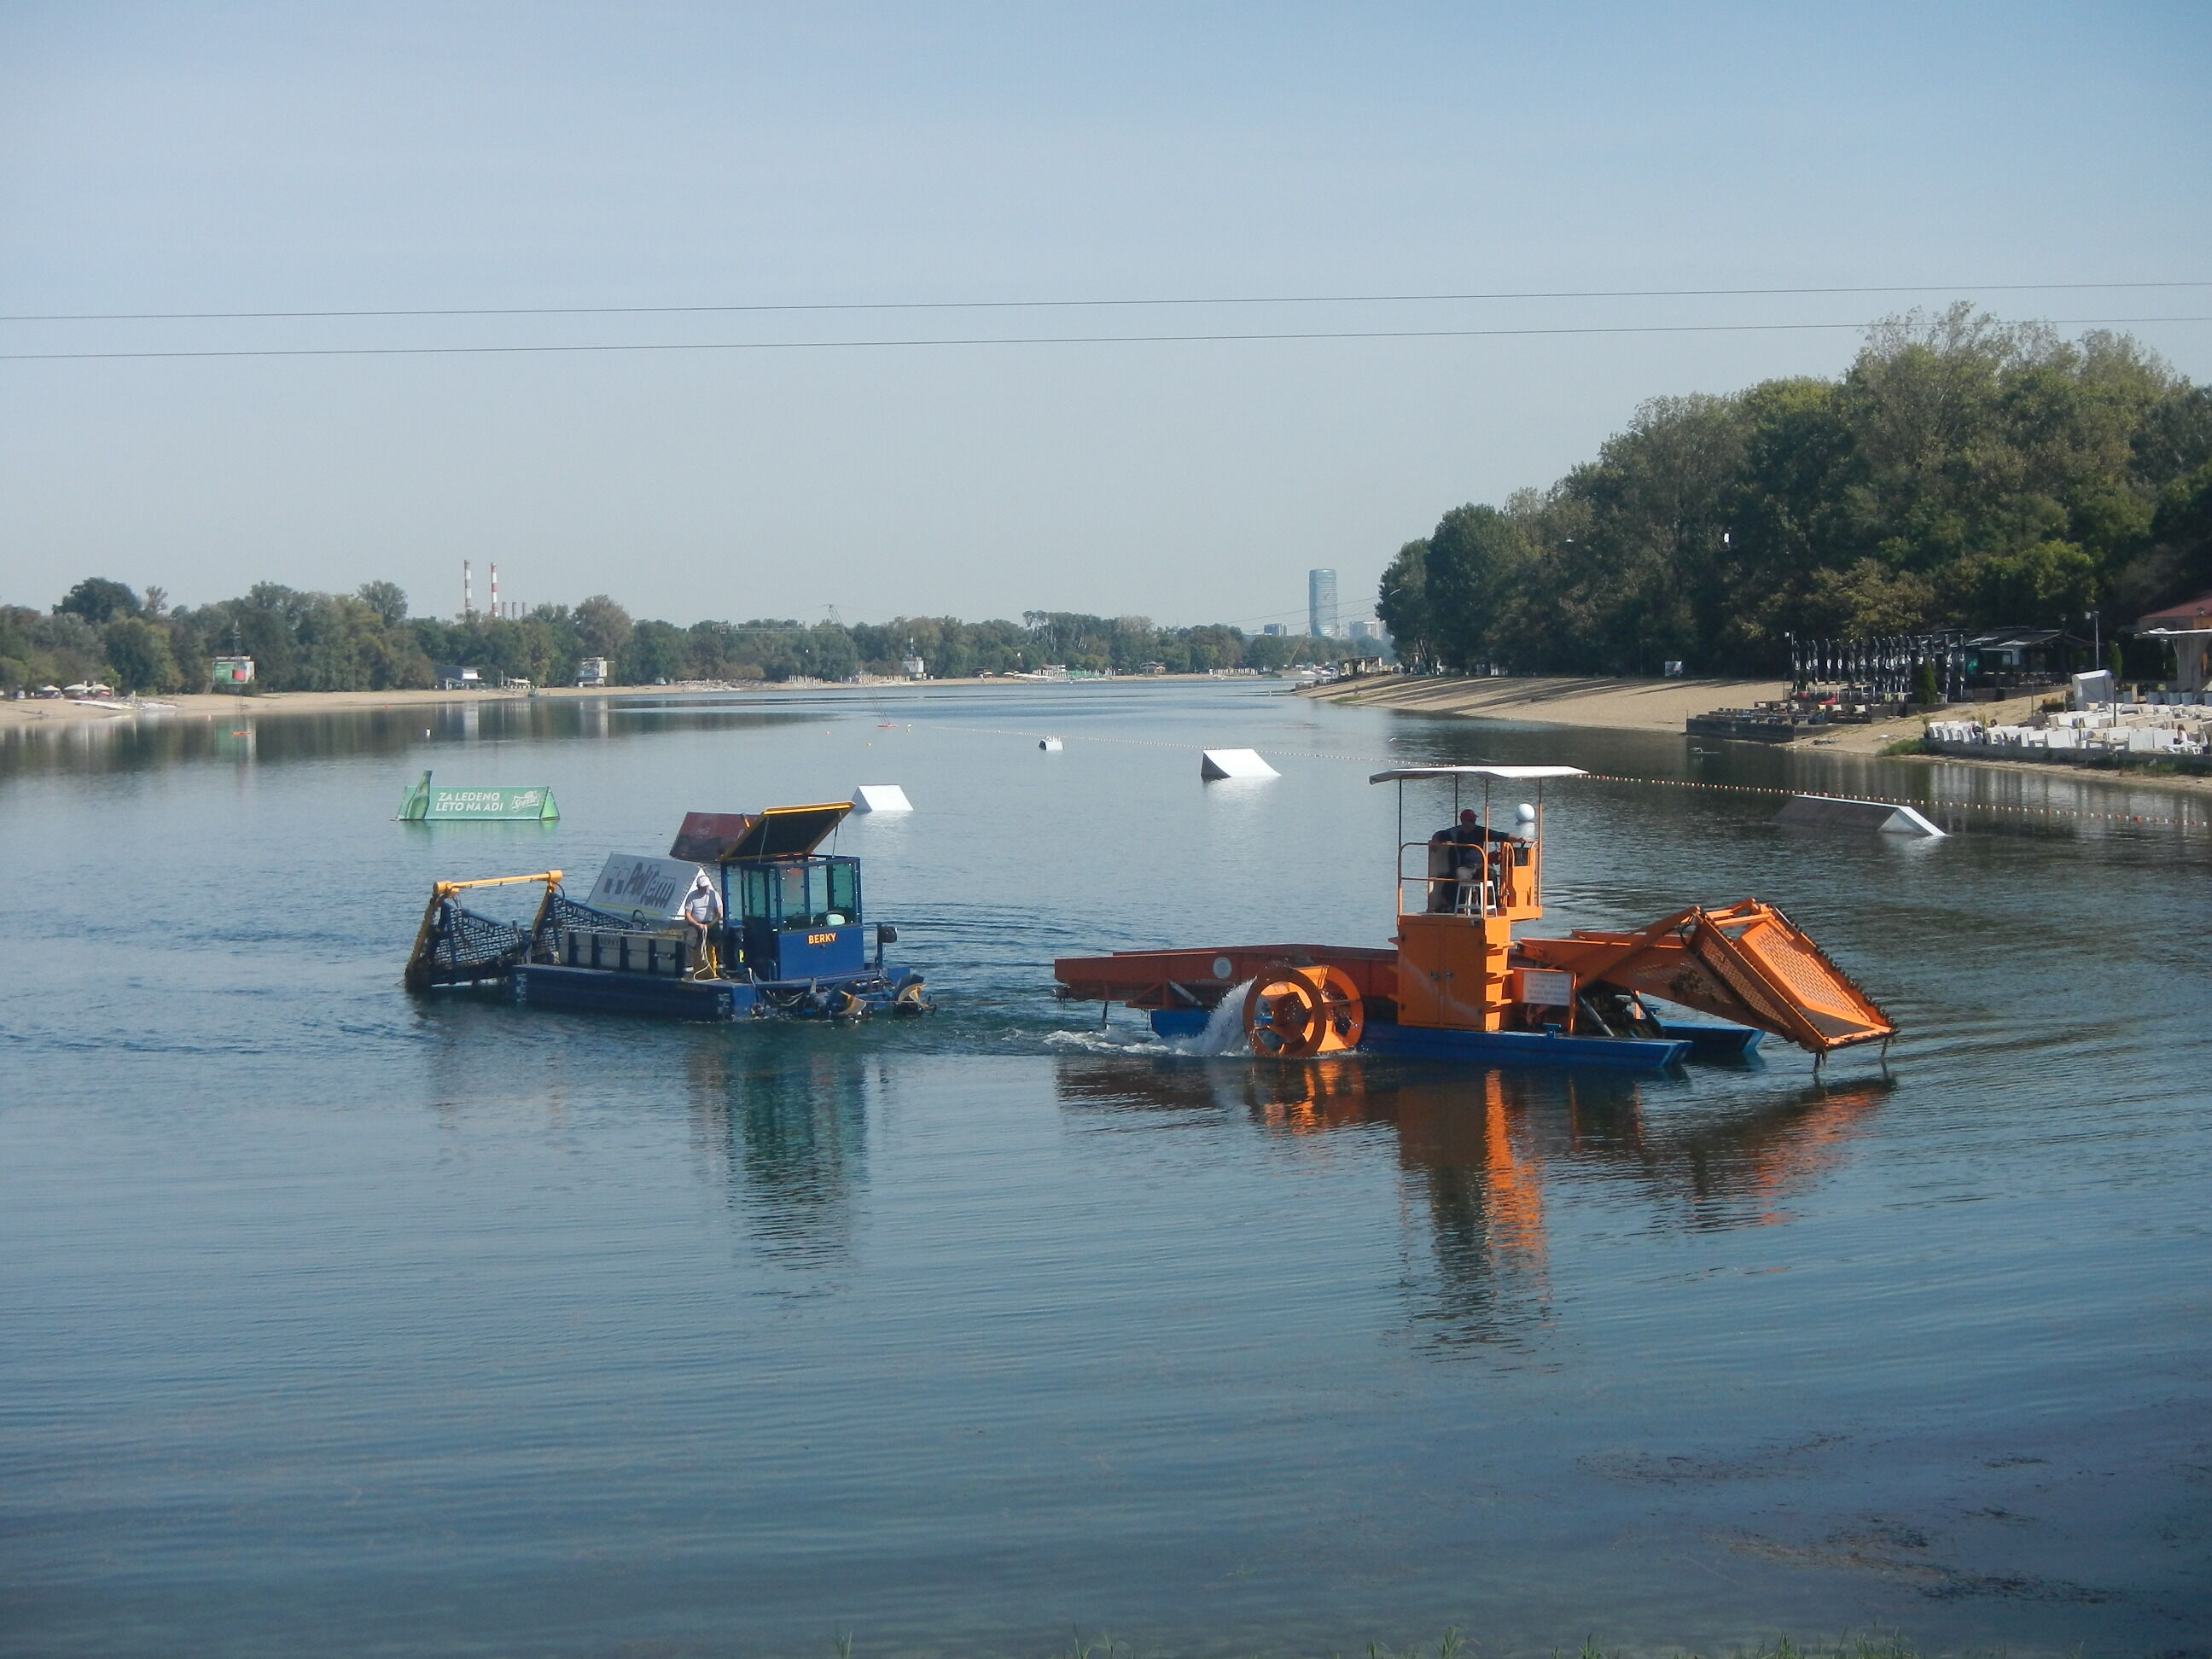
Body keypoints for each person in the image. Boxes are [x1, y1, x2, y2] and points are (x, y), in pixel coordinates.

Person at [1428, 809, 1514, 911]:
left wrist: (1517, 839)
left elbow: (1499, 835)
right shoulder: (1455, 832)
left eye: (1474, 820)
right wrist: (1435, 842)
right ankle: (1462, 906)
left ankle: (1491, 903)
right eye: (1470, 820)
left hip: (1480, 865)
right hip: (1464, 866)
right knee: (1460, 875)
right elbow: (1439, 834)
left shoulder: (1480, 831)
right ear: (1463, 821)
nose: (1473, 822)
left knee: (1491, 873)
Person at [680, 872, 723, 978]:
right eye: (703, 887)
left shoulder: (714, 895)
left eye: (706, 886)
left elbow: (718, 913)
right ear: (698, 887)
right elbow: (688, 915)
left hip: (711, 924)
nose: (705, 889)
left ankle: (721, 968)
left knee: (719, 941)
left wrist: (710, 924)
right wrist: (697, 924)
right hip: (695, 924)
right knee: (689, 941)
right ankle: (688, 971)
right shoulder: (692, 896)